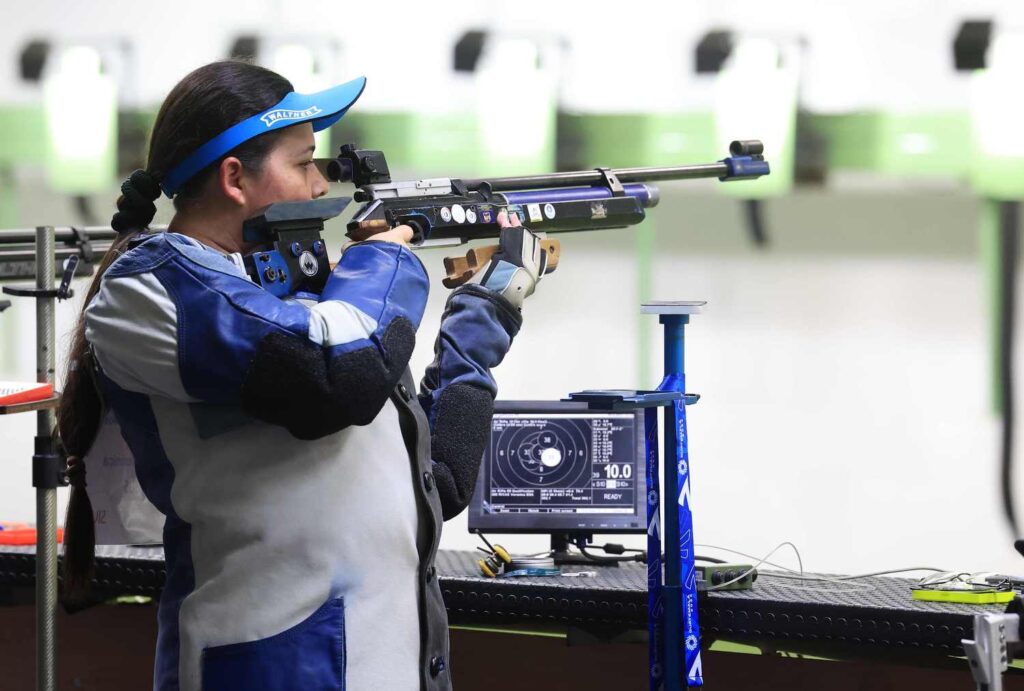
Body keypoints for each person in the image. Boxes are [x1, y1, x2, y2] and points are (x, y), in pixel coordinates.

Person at [56, 60, 549, 691]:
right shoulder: (150, 292)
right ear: (234, 177)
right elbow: (339, 378)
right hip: (268, 667)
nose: (320, 185)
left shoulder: (310, 306)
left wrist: (482, 320)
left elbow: (435, 486)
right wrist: (383, 257)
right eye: (304, 162)